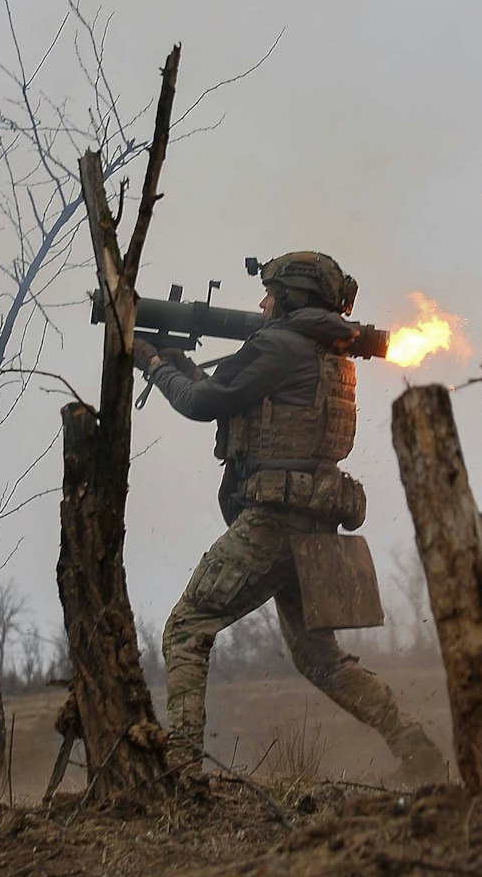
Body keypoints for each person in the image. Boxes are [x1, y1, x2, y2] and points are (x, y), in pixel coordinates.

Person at [133, 251, 447, 783]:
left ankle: (182, 770)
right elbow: (228, 390)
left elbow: (203, 402)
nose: (261, 302)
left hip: (273, 524)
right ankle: (416, 748)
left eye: (271, 294)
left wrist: (154, 364)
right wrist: (176, 362)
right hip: (314, 525)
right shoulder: (329, 356)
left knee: (187, 628)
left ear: (291, 299)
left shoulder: (280, 346)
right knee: (318, 658)